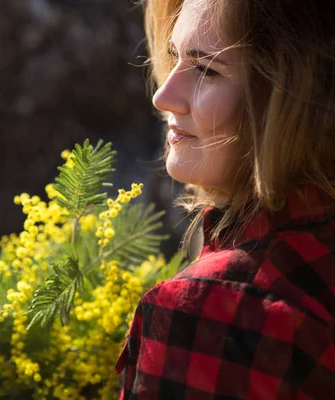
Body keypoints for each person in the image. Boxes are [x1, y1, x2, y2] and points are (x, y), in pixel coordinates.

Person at [116, 0, 335, 398]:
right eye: (173, 55)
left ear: (294, 101)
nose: (163, 96)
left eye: (206, 70)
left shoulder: (215, 312)